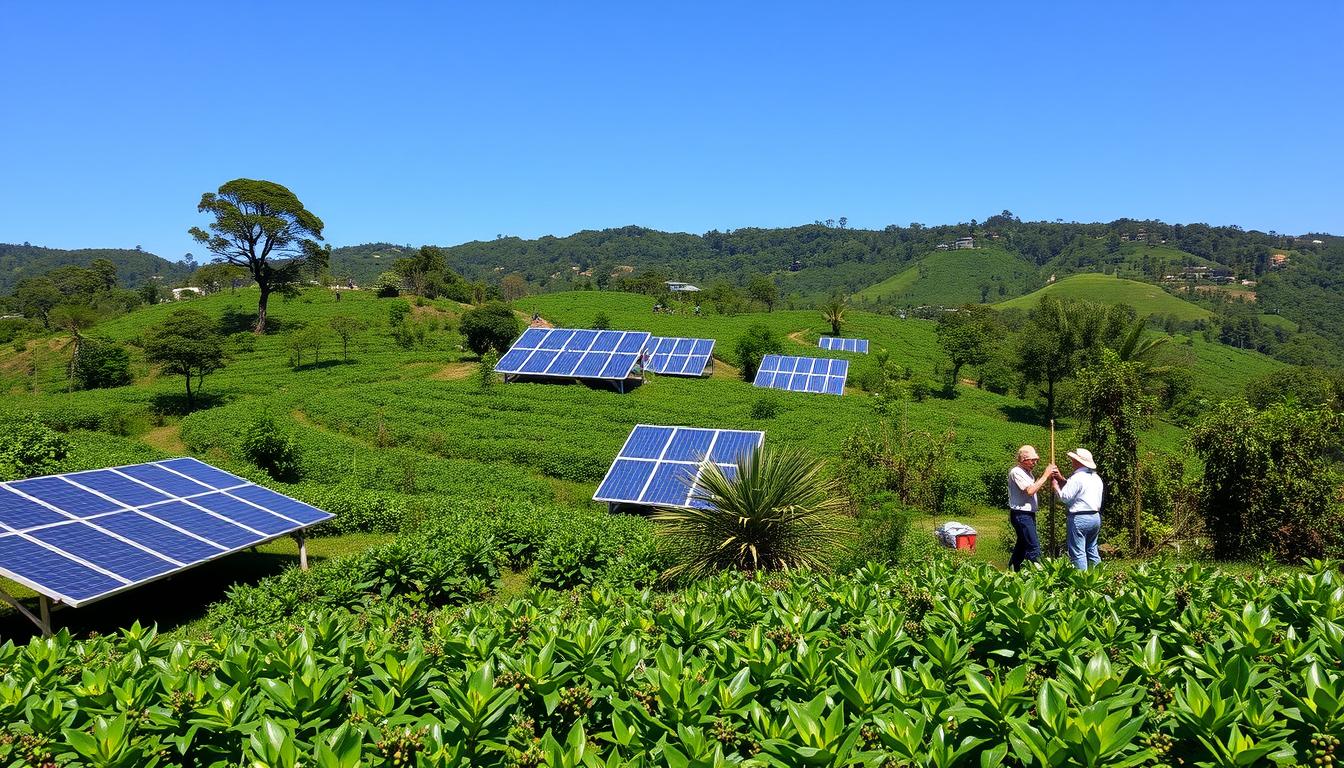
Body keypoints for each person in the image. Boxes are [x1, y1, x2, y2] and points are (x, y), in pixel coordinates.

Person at [1051, 448, 1104, 570]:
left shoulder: (1077, 477)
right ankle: (1099, 576)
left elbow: (1065, 497)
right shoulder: (1096, 478)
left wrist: (1055, 487)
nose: (1072, 462)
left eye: (1073, 460)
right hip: (1095, 517)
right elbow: (1077, 490)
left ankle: (1081, 580)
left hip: (1079, 517)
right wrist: (1061, 479)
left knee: (1078, 551)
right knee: (1092, 548)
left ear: (1078, 462)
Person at [1007, 445, 1054, 570]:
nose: (1035, 462)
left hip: (1028, 514)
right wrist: (1045, 475)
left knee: (1022, 546)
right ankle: (1041, 575)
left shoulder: (1028, 473)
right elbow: (1030, 491)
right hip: (1021, 514)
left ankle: (1012, 570)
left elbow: (1033, 488)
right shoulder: (1016, 472)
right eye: (1032, 460)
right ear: (1024, 460)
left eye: (1036, 460)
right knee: (1033, 547)